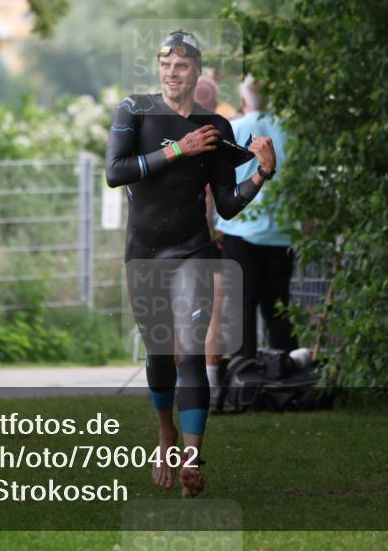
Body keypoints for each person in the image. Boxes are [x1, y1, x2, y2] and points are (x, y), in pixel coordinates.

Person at [105, 29, 276, 498]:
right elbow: (114, 173)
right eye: (165, 64)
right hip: (145, 254)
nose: (172, 72)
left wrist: (261, 173)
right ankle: (166, 435)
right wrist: (178, 149)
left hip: (192, 252)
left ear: (196, 71)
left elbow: (225, 204)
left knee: (190, 354)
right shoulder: (134, 111)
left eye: (181, 65)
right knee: (159, 360)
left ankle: (192, 460)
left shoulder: (216, 127)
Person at [212, 75, 296, 361]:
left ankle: (242, 370)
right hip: (281, 230)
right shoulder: (290, 131)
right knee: (279, 307)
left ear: (244, 99)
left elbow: (218, 182)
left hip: (238, 229)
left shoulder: (233, 129)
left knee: (240, 307)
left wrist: (213, 222)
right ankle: (285, 370)